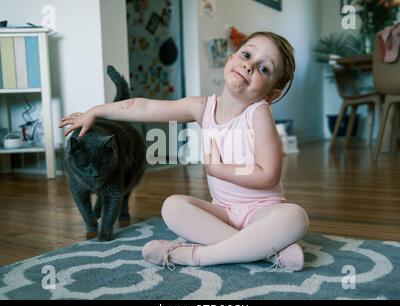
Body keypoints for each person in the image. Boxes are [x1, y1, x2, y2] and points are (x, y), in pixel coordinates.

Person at [59, 31, 309, 272]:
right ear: (230, 57)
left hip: (261, 212)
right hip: (223, 213)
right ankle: (267, 251)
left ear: (272, 94)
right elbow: (143, 108)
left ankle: (198, 256)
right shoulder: (202, 107)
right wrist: (96, 111)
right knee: (172, 207)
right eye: (246, 56)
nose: (249, 66)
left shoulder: (259, 113)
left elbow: (268, 176)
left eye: (264, 68)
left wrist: (218, 169)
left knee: (296, 217)